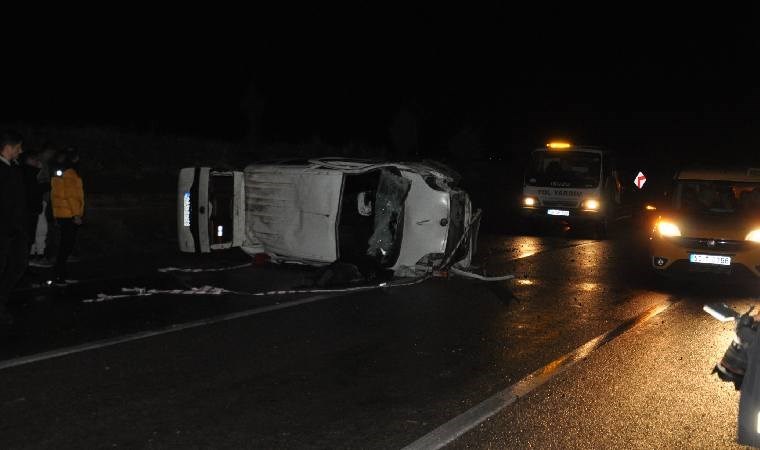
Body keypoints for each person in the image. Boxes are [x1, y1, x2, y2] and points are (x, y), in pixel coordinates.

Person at [0, 130, 28, 325]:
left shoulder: (13, 168)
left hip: (15, 229)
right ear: (9, 148)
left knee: (18, 265)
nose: (21, 151)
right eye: (18, 148)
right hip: (4, 229)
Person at [50, 147, 84, 284]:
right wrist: (76, 214)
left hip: (62, 213)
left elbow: (55, 195)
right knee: (67, 245)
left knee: (65, 244)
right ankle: (60, 273)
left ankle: (60, 272)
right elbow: (72, 196)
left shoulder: (59, 173)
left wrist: (55, 214)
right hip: (69, 214)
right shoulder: (70, 174)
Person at [28, 144, 56, 266]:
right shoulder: (37, 164)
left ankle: (36, 254)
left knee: (39, 228)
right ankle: (37, 255)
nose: (52, 155)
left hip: (42, 200)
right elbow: (36, 185)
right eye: (50, 152)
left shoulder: (45, 164)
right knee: (39, 228)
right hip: (38, 201)